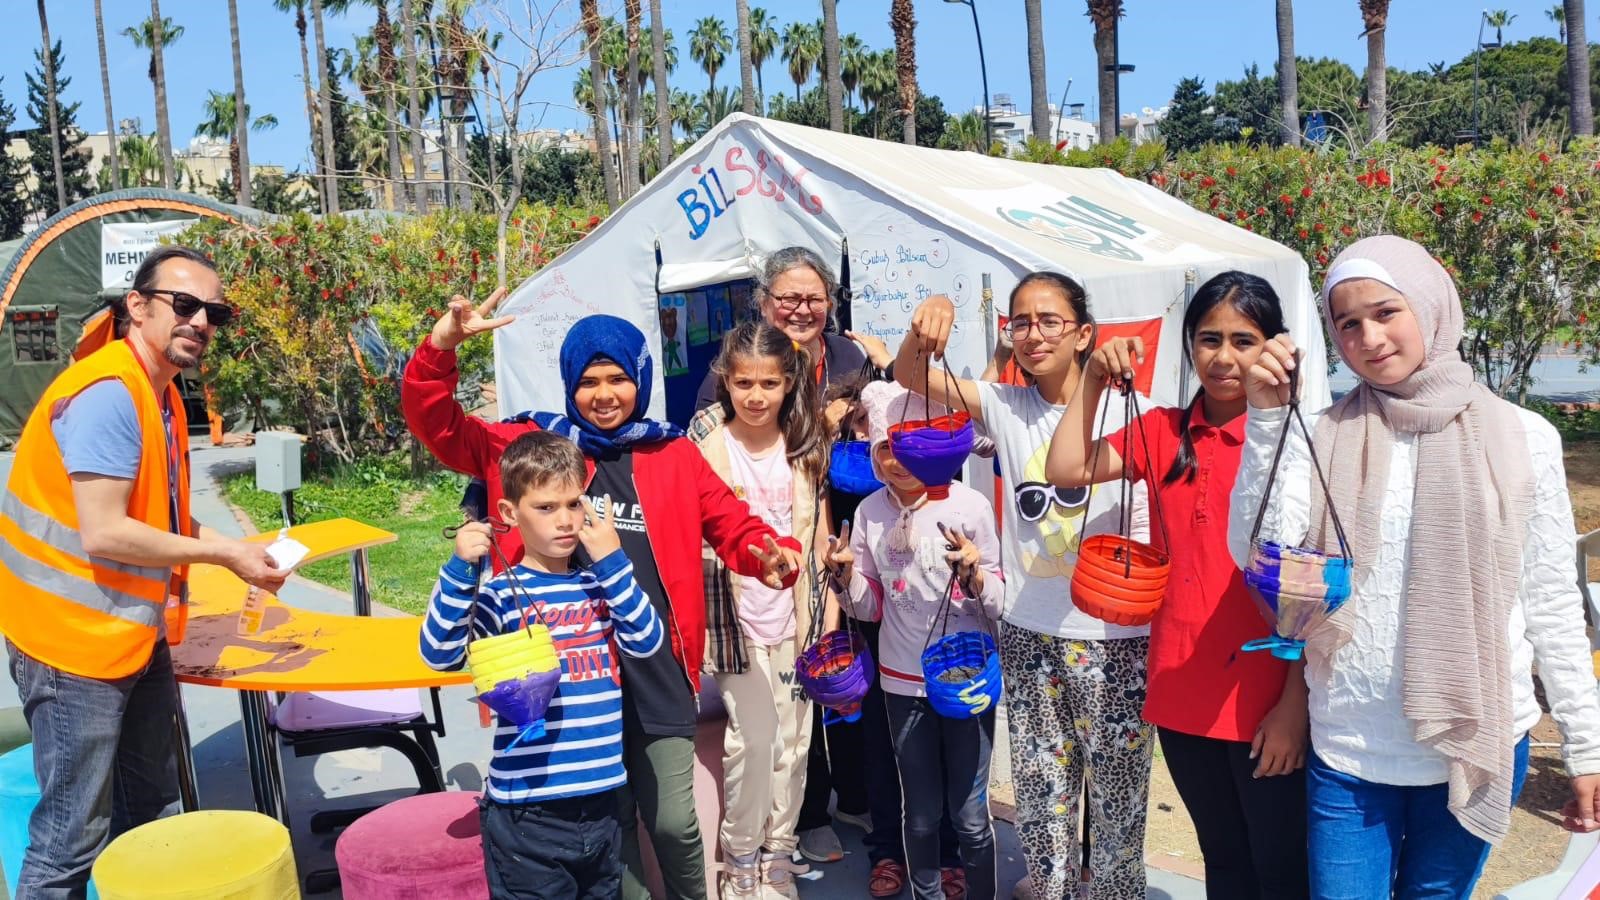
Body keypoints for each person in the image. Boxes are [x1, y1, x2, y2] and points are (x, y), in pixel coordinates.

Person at [1228, 235, 1600, 897]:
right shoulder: (1320, 433)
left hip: (1478, 739)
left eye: (1385, 312)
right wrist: (1263, 420)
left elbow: (1550, 600)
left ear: (1429, 305)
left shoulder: (1523, 438)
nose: (1368, 337)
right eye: (1348, 324)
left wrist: (1586, 745)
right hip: (1350, 745)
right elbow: (1258, 558)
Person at [403, 294, 802, 900]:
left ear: (640, 378)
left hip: (654, 660)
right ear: (569, 384)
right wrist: (441, 350)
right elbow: (438, 426)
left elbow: (730, 522)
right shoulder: (528, 447)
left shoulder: (672, 454)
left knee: (672, 821)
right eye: (588, 381)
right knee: (607, 823)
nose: (605, 393)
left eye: (618, 377)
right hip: (565, 672)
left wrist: (767, 552)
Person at [0, 245, 288, 896]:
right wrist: (223, 555)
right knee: (71, 839)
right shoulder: (109, 393)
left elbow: (160, 513)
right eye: (183, 304)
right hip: (70, 648)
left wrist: (239, 550)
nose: (200, 321)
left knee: (150, 812)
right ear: (137, 306)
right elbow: (106, 531)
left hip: (130, 636)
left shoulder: (156, 392)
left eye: (214, 311)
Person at [1044, 271, 1309, 899]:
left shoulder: (1295, 442)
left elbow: (1311, 592)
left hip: (1267, 693)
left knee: (1281, 867)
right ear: (1189, 345)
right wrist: (1091, 380)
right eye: (1208, 338)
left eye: (1244, 340)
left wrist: (1294, 707)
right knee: (1223, 859)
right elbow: (1066, 468)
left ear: (1275, 346)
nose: (1223, 357)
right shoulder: (1163, 430)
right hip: (1181, 686)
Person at [898, 276, 1151, 900]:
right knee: (1042, 796)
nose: (1033, 334)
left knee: (1117, 801)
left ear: (1084, 334)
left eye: (1049, 321)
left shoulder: (1127, 412)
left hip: (1112, 637)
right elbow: (911, 373)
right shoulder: (1008, 406)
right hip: (1027, 630)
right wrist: (930, 317)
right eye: (1020, 323)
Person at [421, 432, 664, 898]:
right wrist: (458, 572)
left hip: (602, 803)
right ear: (510, 514)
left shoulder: (602, 583)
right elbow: (439, 654)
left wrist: (613, 561)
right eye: (546, 508)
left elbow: (648, 642)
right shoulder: (500, 595)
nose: (566, 520)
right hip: (528, 814)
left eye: (574, 504)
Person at [823, 381, 1006, 900]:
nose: (898, 458)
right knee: (920, 814)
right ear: (874, 451)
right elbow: (871, 605)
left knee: (970, 817)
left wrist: (974, 575)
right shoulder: (868, 513)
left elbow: (996, 600)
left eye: (910, 443)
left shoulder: (970, 506)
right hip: (901, 686)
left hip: (966, 684)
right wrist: (844, 579)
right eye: (886, 445)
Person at [687, 322, 837, 899]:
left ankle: (778, 858)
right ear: (726, 380)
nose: (756, 396)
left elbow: (819, 536)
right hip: (733, 620)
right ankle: (740, 863)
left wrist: (827, 614)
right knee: (751, 740)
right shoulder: (704, 447)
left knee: (794, 743)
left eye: (769, 383)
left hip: (796, 618)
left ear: (788, 381)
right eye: (744, 382)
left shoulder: (804, 447)